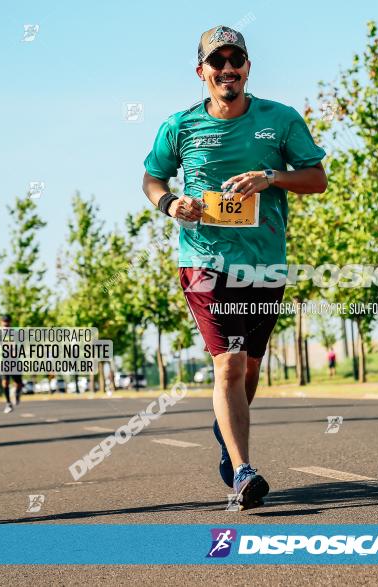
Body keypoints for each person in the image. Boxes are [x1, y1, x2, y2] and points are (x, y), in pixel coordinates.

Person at [141, 25, 328, 510]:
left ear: (247, 68)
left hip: (264, 263)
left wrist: (270, 178)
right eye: (217, 61)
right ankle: (244, 471)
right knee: (227, 363)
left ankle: (228, 431)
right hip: (203, 261)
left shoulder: (281, 119)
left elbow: (316, 178)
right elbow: (152, 178)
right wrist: (170, 205)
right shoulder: (179, 126)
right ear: (201, 71)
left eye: (236, 60)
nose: (228, 69)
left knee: (248, 367)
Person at [0, 314, 23, 414]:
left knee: (19, 384)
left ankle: (17, 393)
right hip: (3, 361)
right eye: (4, 326)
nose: (6, 328)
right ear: (1, 324)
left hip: (15, 361)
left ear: (10, 324)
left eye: (7, 326)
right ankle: (8, 403)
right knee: (5, 382)